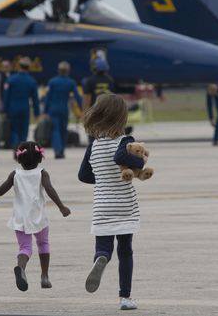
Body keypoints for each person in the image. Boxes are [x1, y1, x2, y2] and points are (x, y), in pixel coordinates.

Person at [78, 93, 148, 311]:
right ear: (121, 117)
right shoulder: (125, 141)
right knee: (125, 250)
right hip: (125, 206)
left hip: (102, 206)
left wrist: (102, 178)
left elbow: (83, 175)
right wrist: (140, 161)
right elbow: (120, 158)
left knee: (104, 247)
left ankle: (100, 259)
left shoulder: (94, 146)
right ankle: (125, 297)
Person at [0, 141, 70, 291]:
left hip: (20, 218)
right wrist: (61, 207)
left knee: (25, 248)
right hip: (39, 217)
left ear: (18, 159)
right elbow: (49, 189)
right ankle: (45, 277)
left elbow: (0, 191)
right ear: (40, 158)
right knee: (43, 244)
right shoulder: (42, 173)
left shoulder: (15, 174)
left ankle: (21, 267)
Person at [44, 61, 82, 159]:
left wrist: (45, 111)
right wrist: (83, 108)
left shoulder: (52, 82)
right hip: (64, 109)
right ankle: (62, 150)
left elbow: (47, 98)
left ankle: (57, 150)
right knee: (63, 130)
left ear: (58, 70)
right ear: (68, 71)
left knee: (55, 130)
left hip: (53, 109)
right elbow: (77, 97)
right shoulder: (71, 82)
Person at [3, 57, 40, 148]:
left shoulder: (11, 79)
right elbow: (35, 99)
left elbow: (6, 96)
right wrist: (36, 113)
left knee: (14, 130)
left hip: (13, 108)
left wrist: (4, 110)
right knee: (24, 131)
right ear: (28, 67)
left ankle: (15, 148)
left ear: (19, 66)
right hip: (25, 108)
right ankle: (21, 150)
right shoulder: (32, 81)